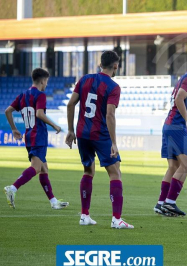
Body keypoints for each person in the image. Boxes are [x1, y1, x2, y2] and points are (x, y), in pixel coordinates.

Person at [65, 50, 133, 229]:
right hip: (100, 134)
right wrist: (114, 143)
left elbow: (71, 104)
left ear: (100, 63)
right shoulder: (113, 87)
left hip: (82, 133)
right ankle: (116, 219)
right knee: (115, 173)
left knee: (88, 172)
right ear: (116, 66)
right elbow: (110, 114)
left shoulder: (84, 79)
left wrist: (71, 130)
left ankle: (84, 215)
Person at [3, 68, 68, 210]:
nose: (46, 85)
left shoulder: (23, 95)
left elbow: (7, 111)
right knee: (36, 168)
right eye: (46, 82)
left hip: (29, 136)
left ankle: (53, 202)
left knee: (44, 169)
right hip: (38, 137)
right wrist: (55, 125)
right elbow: (39, 114)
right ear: (42, 80)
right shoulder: (40, 95)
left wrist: (14, 128)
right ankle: (13, 188)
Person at [154, 51, 187, 217]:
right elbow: (179, 100)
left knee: (174, 166)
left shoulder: (184, 78)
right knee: (186, 164)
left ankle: (161, 203)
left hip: (169, 125)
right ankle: (170, 203)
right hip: (176, 126)